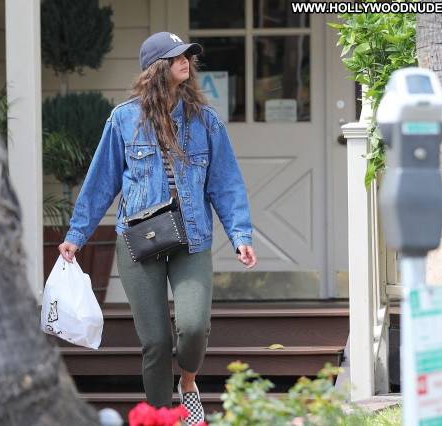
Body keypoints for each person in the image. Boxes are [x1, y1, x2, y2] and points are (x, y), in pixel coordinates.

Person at [58, 31, 257, 425]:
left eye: (188, 56)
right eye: (177, 56)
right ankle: (162, 417)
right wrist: (76, 235)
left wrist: (241, 236)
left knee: (194, 327)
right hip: (138, 240)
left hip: (192, 238)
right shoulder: (123, 119)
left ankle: (188, 382)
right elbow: (101, 182)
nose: (186, 61)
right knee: (155, 341)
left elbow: (226, 184)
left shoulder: (206, 121)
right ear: (156, 68)